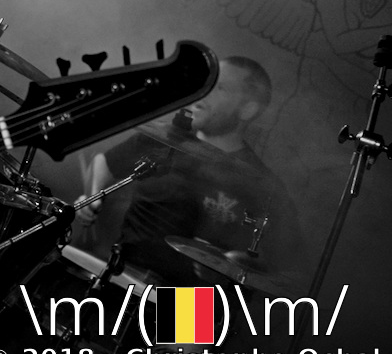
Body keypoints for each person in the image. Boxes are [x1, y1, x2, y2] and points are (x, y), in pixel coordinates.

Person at [75, 56, 304, 287]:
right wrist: (92, 195)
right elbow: (103, 162)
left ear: (247, 109)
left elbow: (286, 263)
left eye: (220, 88)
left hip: (193, 300)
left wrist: (236, 268)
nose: (205, 91)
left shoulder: (261, 185)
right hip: (124, 272)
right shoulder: (164, 138)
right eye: (208, 81)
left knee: (194, 313)